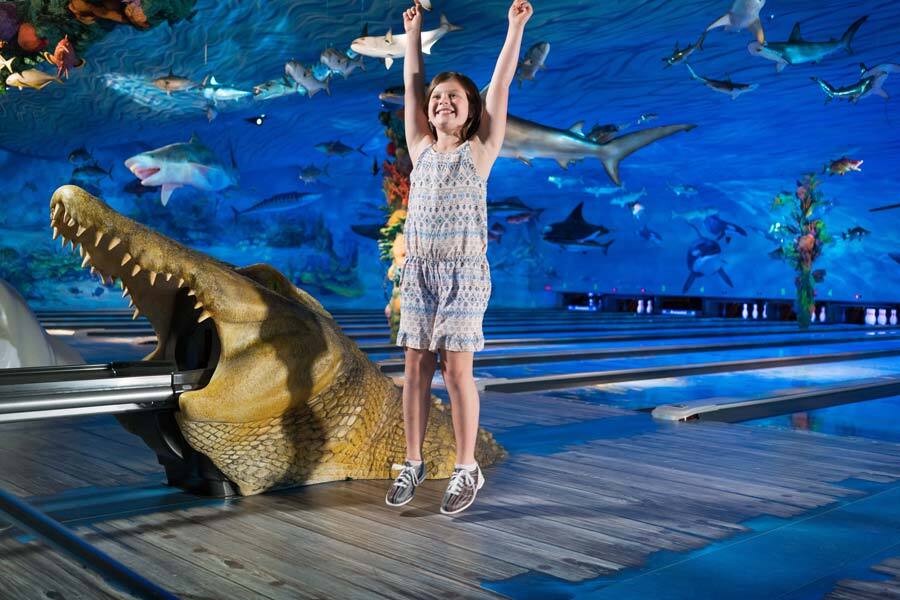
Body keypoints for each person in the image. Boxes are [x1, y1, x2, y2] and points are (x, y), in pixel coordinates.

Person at [386, 0, 533, 515]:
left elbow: (501, 85)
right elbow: (411, 82)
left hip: (465, 273)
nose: (442, 101)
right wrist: (414, 34)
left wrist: (514, 27)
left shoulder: (481, 150)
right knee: (415, 367)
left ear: (470, 110)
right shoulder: (420, 147)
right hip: (421, 272)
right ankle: (412, 461)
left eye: (454, 97)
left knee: (455, 371)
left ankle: (466, 467)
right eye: (437, 98)